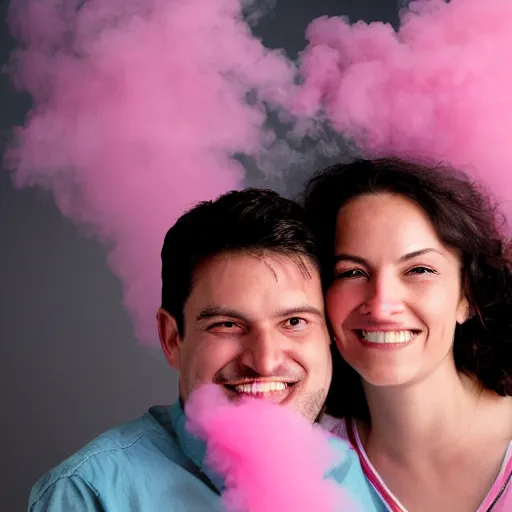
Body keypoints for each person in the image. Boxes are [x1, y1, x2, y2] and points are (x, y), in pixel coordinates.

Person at [28, 188, 381, 511]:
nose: (265, 360)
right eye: (227, 325)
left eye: (294, 322)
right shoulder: (89, 495)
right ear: (172, 338)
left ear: (328, 333)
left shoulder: (362, 478)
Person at [304, 158, 512, 512]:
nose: (382, 305)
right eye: (353, 272)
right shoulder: (306, 465)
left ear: (468, 296)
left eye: (419, 269)